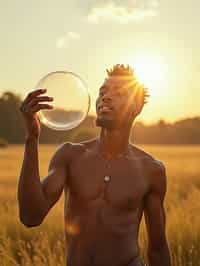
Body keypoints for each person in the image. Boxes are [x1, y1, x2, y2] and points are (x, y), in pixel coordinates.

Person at [18, 64, 171, 266]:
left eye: (119, 93)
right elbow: (31, 216)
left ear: (136, 108)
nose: (106, 97)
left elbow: (158, 248)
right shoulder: (70, 155)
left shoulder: (151, 170)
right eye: (102, 92)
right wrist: (31, 138)